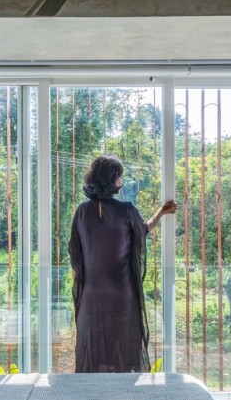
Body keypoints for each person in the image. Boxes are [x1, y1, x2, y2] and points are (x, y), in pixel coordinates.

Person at [68, 154, 177, 373]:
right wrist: (162, 211)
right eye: (120, 177)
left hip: (91, 295)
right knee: (124, 348)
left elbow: (74, 252)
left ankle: (93, 398)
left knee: (93, 347)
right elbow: (143, 229)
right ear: (112, 180)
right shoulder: (126, 210)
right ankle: (123, 395)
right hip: (122, 294)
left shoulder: (81, 211)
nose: (122, 181)